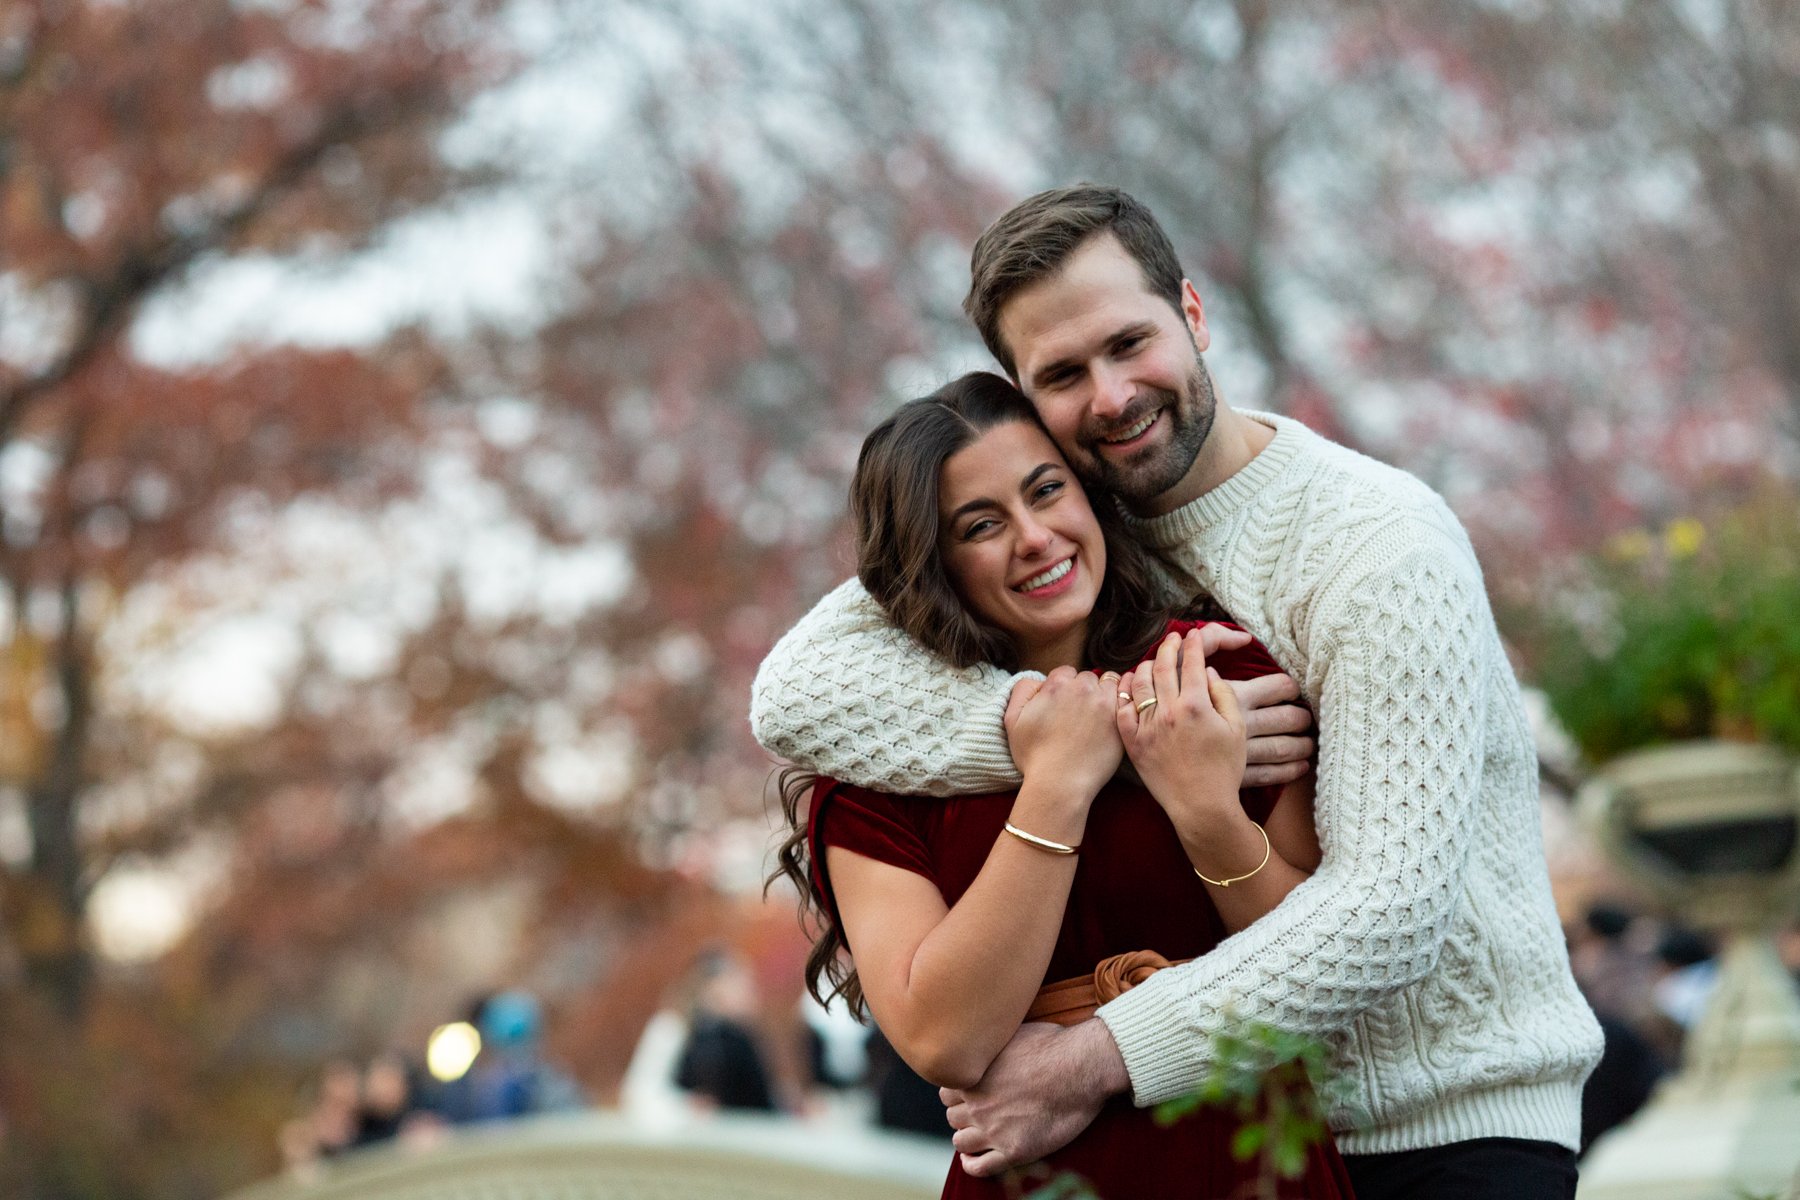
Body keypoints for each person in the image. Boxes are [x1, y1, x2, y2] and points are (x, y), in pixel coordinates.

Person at [752, 184, 1604, 1200]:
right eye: (1063, 374)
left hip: (1445, 1132)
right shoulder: (1081, 533)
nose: (1110, 398)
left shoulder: (1378, 548)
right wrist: (1089, 735)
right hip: (1215, 1137)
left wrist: (1088, 1059)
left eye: (1129, 343)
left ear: (1193, 316)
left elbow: (1387, 917)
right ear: (1027, 399)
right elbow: (794, 690)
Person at [771, 371, 1353, 1197]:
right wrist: (1056, 781)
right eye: (981, 525)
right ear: (933, 565)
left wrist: (1203, 810)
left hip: (1249, 1151)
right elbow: (947, 1038)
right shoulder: (874, 779)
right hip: (1032, 1170)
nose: (1036, 536)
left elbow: (1319, 956)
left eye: (1047, 490)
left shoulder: (1217, 670)